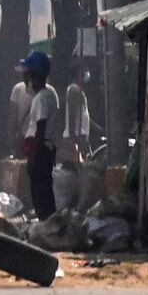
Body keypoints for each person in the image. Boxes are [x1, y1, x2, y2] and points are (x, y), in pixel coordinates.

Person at [17, 50, 59, 219]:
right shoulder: (49, 95)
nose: (24, 78)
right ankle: (48, 223)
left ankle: (46, 223)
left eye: (27, 74)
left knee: (40, 193)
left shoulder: (42, 98)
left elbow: (40, 128)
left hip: (40, 150)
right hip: (46, 149)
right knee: (44, 191)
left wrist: (33, 156)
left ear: (35, 75)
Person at [61, 61, 93, 166]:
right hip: (78, 135)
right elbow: (72, 115)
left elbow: (82, 114)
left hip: (81, 135)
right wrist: (73, 138)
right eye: (85, 70)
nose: (87, 73)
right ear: (78, 72)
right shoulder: (74, 90)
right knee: (85, 166)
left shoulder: (78, 90)